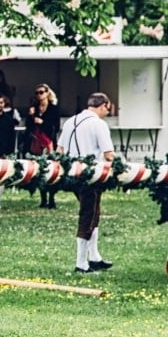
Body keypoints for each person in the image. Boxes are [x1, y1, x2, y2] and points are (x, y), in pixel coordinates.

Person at [57, 93, 115, 274]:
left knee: (94, 212)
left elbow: (59, 150)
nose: (107, 111)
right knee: (88, 215)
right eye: (108, 107)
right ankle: (81, 262)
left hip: (73, 174)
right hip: (92, 174)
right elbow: (108, 154)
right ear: (103, 105)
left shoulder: (70, 121)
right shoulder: (99, 124)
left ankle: (95, 256)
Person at [24, 84, 61, 209]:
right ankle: (43, 197)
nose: (39, 95)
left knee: (51, 168)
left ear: (47, 93)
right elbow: (28, 127)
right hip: (36, 143)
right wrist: (30, 116)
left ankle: (52, 198)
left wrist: (43, 122)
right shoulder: (33, 108)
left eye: (41, 92)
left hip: (49, 142)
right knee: (40, 169)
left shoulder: (53, 109)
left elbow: (56, 127)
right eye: (37, 93)